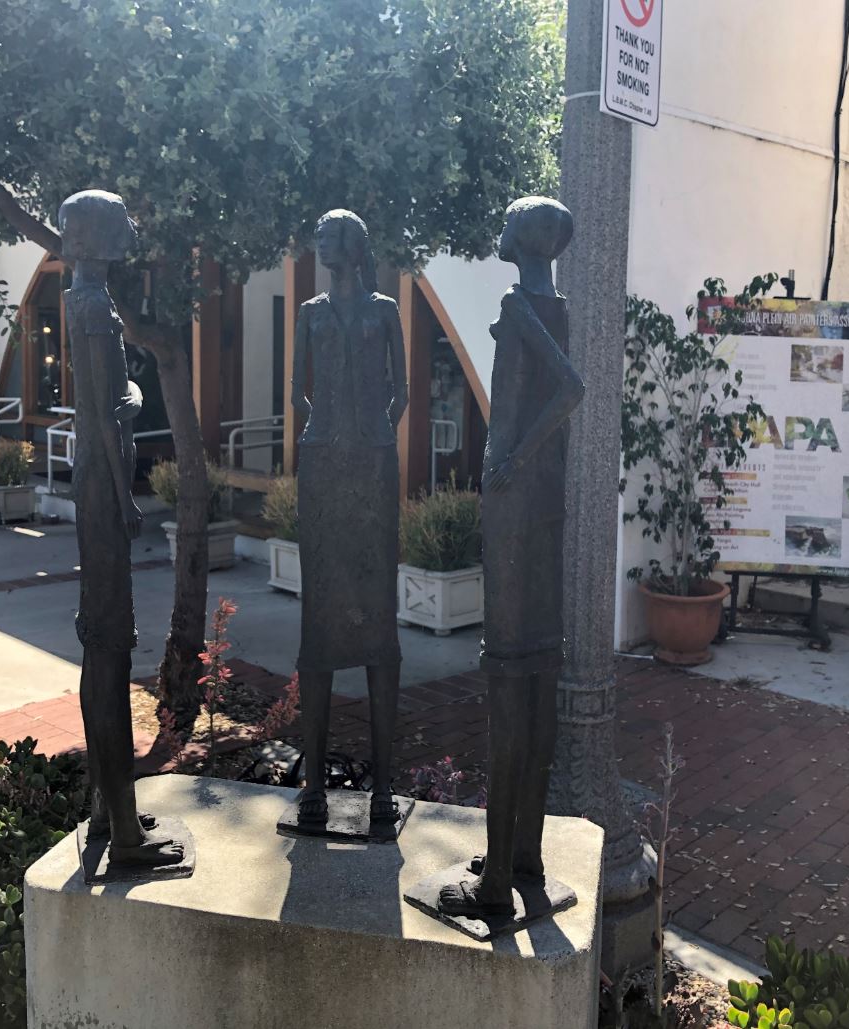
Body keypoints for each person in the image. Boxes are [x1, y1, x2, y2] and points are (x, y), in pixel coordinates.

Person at [439, 197, 583, 917]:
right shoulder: (555, 305)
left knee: (507, 672)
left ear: (522, 239)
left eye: (505, 222)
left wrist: (511, 461)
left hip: (515, 506)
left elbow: (570, 389)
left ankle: (497, 882)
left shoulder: (518, 303)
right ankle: (524, 854)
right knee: (537, 666)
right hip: (544, 506)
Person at [60, 189, 182, 868]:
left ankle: (108, 807)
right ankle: (125, 833)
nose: (131, 229)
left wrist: (128, 398)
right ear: (98, 234)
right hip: (102, 490)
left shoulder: (85, 299)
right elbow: (106, 418)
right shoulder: (92, 306)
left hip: (95, 481)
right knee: (108, 649)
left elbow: (104, 402)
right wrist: (125, 499)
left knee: (101, 646)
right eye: (121, 221)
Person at [291, 209, 408, 829]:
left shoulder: (384, 310)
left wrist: (375, 434)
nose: (322, 244)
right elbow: (296, 391)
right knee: (320, 611)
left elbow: (402, 391)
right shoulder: (309, 313)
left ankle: (384, 786)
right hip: (323, 464)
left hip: (373, 463)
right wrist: (326, 431)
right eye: (320, 236)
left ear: (357, 246)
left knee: (376, 605)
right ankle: (312, 784)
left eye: (332, 235)